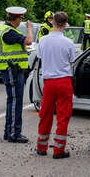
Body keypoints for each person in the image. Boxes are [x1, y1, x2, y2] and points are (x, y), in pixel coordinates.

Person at [36, 11, 75, 159]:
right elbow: (72, 61)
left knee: (45, 114)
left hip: (49, 82)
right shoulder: (68, 43)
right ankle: (59, 150)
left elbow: (40, 58)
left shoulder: (43, 40)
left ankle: (41, 147)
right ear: (65, 24)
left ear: (52, 22)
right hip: (64, 81)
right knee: (63, 115)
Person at [0, 6, 32, 143]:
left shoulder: (7, 30)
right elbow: (29, 41)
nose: (22, 21)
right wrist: (29, 29)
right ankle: (14, 133)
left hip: (11, 69)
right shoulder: (9, 32)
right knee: (15, 102)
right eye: (21, 18)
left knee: (13, 101)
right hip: (12, 70)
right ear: (17, 18)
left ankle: (8, 132)